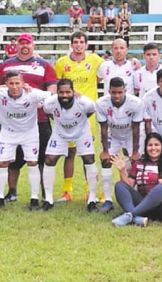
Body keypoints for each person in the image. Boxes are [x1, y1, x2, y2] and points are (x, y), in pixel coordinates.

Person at [0, 33, 57, 202]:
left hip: (40, 119)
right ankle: (12, 191)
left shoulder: (44, 65)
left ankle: (44, 192)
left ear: (33, 45)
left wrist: (41, 104)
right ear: (16, 46)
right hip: (13, 120)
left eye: (27, 44)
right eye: (21, 43)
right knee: (12, 160)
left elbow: (52, 90)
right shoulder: (7, 65)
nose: (24, 46)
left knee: (41, 159)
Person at [0, 71, 52, 210]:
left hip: (29, 134)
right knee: (2, 163)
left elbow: (53, 96)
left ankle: (34, 199)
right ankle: (0, 198)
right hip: (8, 134)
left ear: (22, 83)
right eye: (11, 83)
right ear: (6, 84)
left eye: (17, 83)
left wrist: (72, 93)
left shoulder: (32, 93)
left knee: (32, 162)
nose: (14, 87)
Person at [53, 31, 105, 202]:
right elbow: (55, 86)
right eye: (75, 42)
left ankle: (91, 191)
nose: (78, 45)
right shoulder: (62, 63)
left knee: (87, 154)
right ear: (71, 44)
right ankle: (67, 191)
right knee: (70, 152)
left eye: (81, 42)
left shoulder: (96, 61)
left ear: (86, 45)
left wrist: (133, 62)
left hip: (87, 114)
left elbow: (108, 72)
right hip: (67, 113)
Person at [110, 132, 162, 227]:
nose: (153, 148)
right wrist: (122, 170)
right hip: (142, 205)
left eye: (156, 145)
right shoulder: (138, 164)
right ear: (145, 147)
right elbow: (129, 186)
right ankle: (135, 217)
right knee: (119, 185)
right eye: (150, 145)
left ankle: (130, 215)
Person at [42, 79, 98, 212]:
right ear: (57, 93)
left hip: (81, 132)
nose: (65, 95)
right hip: (60, 132)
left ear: (73, 92)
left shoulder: (85, 102)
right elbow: (48, 112)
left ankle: (92, 199)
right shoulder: (50, 103)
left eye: (68, 92)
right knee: (49, 159)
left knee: (89, 159)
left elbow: (90, 112)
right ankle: (48, 200)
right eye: (61, 92)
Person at [96, 77, 144, 213]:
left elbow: (136, 127)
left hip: (130, 135)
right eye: (114, 92)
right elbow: (103, 128)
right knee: (105, 161)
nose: (117, 96)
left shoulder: (136, 103)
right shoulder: (101, 103)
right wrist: (105, 150)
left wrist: (135, 151)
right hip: (113, 135)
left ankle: (134, 196)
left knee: (136, 162)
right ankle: (107, 200)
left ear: (125, 90)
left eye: (120, 92)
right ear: (109, 91)